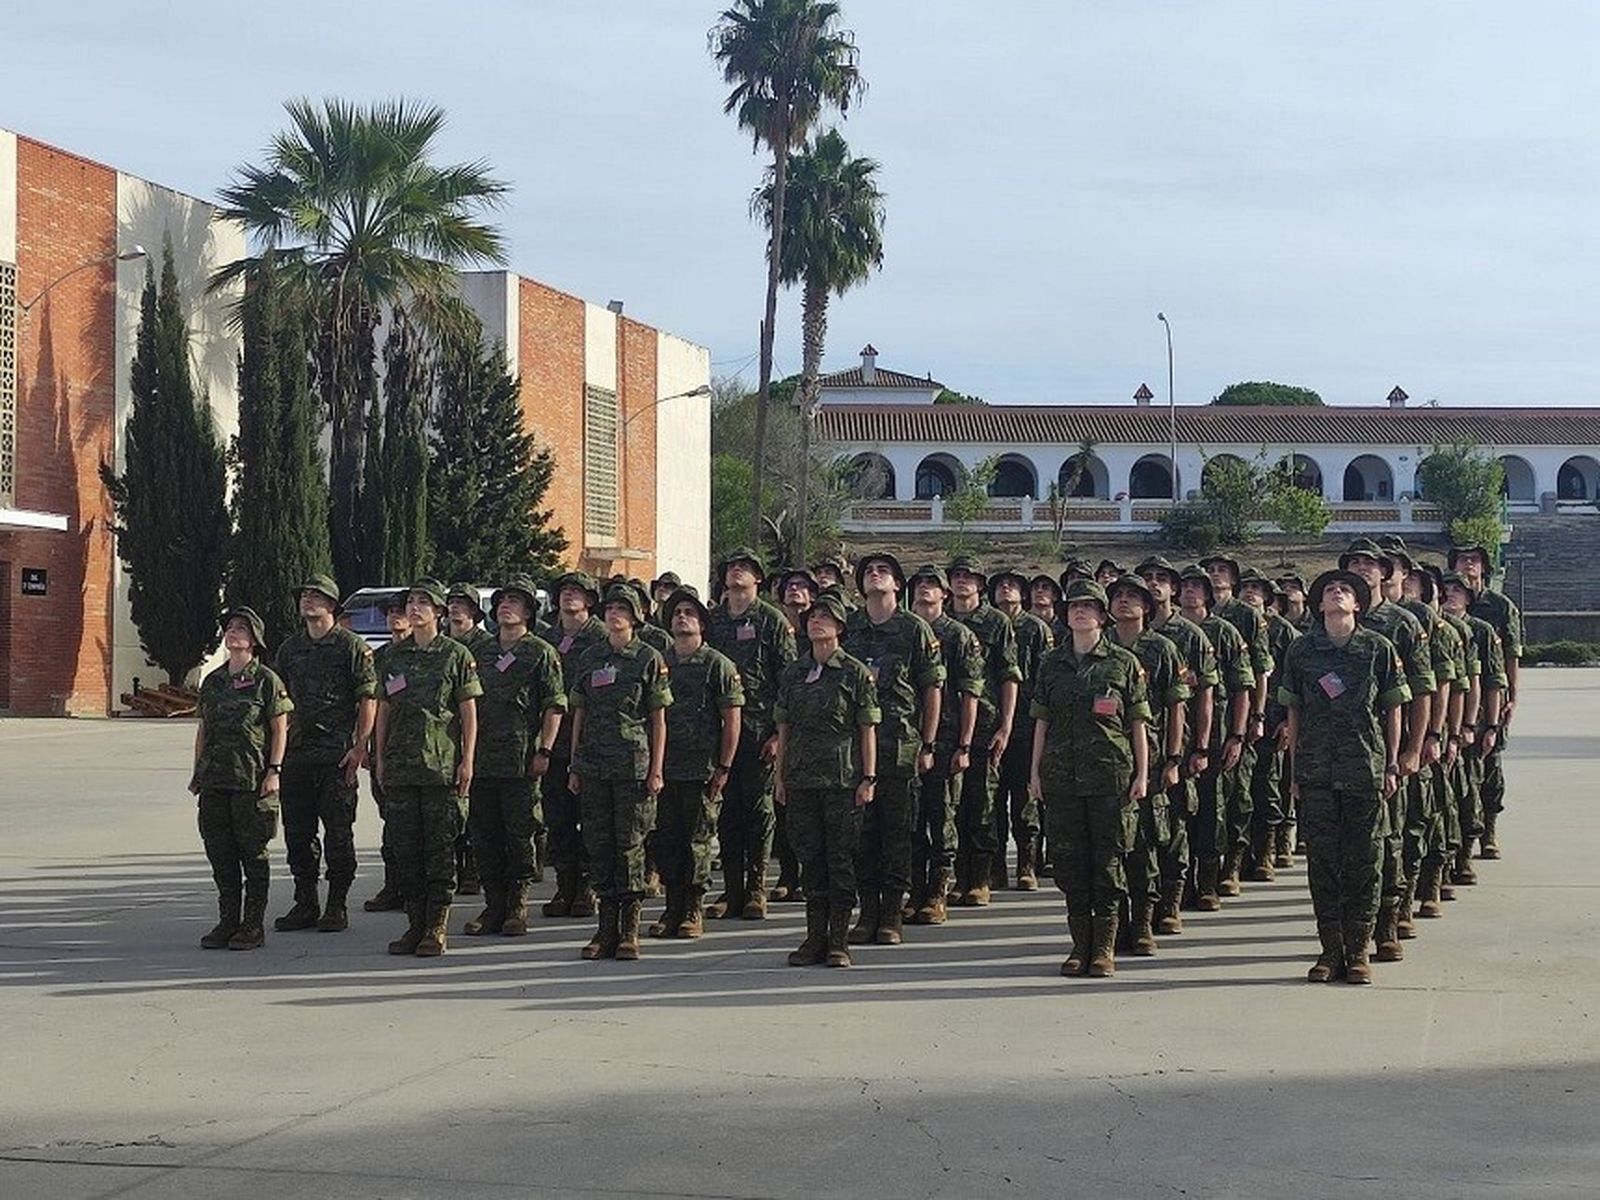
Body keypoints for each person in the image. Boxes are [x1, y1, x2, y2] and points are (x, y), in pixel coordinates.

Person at [1279, 569, 1410, 984]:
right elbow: (1293, 712)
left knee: (1365, 861)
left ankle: (1358, 950)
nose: (1337, 594)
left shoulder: (1378, 649)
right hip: (1317, 771)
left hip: (1364, 769)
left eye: (1346, 591)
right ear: (1319, 606)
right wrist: (1296, 770)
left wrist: (1391, 762)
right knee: (1322, 862)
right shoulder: (1302, 652)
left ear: (1357, 605)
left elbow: (1393, 709)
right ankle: (1328, 951)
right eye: (1330, 591)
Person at [1029, 580, 1151, 978]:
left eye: (1089, 606)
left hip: (1110, 777)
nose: (1080, 612)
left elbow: (1137, 723)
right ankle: (1079, 945)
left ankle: (1104, 947)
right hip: (1062, 778)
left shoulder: (1123, 662)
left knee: (1109, 864)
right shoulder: (1051, 663)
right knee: (1069, 865)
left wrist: (1142, 773)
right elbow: (1041, 722)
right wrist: (1035, 772)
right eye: (1074, 606)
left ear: (1103, 616)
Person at [373, 578, 482, 957]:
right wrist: (379, 756)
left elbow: (468, 711)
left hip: (440, 769)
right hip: (402, 767)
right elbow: (383, 708)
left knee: (439, 851)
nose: (414, 608)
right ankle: (414, 925)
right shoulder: (392, 657)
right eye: (411, 602)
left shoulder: (455, 655)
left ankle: (436, 926)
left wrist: (467, 759)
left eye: (423, 603)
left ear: (438, 612)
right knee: (406, 850)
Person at [1338, 538, 1436, 962]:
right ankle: (1345, 936)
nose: (1361, 569)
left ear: (1385, 572)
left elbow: (1421, 690)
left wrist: (1415, 747)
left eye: (1369, 563)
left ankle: (1387, 925)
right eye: (1353, 563)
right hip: (1338, 754)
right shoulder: (1328, 621)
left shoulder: (1402, 624)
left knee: (1389, 840)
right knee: (1342, 849)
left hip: (1386, 752)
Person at [774, 592, 881, 968]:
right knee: (810, 861)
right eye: (813, 616)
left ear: (839, 627)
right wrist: (781, 776)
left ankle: (839, 939)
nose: (816, 621)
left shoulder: (854, 672)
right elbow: (784, 727)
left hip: (842, 780)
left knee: (840, 860)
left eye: (826, 617)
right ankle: (813, 937)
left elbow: (867, 728)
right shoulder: (794, 671)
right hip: (802, 779)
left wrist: (869, 776)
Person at [842, 553, 944, 946]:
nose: (875, 574)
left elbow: (932, 689)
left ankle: (891, 914)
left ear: (898, 585)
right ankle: (866, 912)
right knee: (862, 834)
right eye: (868, 571)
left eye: (883, 570)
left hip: (901, 746)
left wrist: (928, 742)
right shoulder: (851, 628)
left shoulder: (914, 629)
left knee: (898, 832)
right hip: (855, 750)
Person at [568, 585, 673, 961]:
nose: (614, 614)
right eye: (610, 608)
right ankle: (604, 929)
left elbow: (659, 719)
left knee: (629, 847)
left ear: (635, 617)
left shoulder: (648, 658)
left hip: (633, 766)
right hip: (594, 765)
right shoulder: (592, 656)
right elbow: (579, 711)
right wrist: (574, 762)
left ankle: (628, 931)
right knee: (599, 846)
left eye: (622, 609)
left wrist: (657, 769)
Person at [271, 575, 377, 935]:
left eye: (316, 596)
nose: (307, 601)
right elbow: (278, 705)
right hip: (298, 757)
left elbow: (368, 698)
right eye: (304, 595)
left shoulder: (351, 647)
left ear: (332, 605)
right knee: (297, 835)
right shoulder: (290, 649)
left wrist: (360, 745)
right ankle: (305, 902)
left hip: (336, 757)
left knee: (338, 834)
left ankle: (336, 904)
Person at [462, 576, 566, 938]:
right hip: (483, 759)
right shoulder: (482, 652)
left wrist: (545, 749)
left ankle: (517, 907)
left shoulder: (540, 652)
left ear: (528, 612)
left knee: (520, 834)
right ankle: (493, 905)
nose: (507, 605)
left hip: (521, 759)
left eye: (516, 602)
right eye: (504, 600)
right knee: (485, 834)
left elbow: (554, 706)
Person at [191, 607, 293, 951]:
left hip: (253, 783)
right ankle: (228, 920)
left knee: (254, 855)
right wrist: (198, 771)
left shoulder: (267, 680)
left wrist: (274, 771)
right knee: (220, 854)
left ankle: (253, 925)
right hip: (216, 780)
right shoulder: (214, 681)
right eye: (230, 628)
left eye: (241, 628)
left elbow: (280, 728)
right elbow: (204, 729)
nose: (233, 633)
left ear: (254, 640)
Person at [707, 547, 797, 920]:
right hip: (719, 733)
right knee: (727, 814)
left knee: (759, 813)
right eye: (732, 566)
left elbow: (788, 680)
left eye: (745, 567)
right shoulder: (713, 621)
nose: (737, 572)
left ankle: (756, 888)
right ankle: (731, 888)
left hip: (760, 731)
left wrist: (779, 735)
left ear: (758, 578)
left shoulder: (772, 621)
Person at [653, 587, 744, 939]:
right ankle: (672, 906)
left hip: (701, 768)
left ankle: (692, 907)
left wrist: (723, 767)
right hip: (664, 767)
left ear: (702, 624)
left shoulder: (716, 664)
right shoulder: (659, 662)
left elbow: (732, 718)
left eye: (689, 612)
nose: (681, 617)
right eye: (676, 613)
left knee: (698, 840)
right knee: (666, 839)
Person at [1106, 575, 1189, 955]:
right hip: (1103, 763)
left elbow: (1176, 709)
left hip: (1150, 762)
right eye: (1118, 596)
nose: (1124, 602)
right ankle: (1114, 924)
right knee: (1110, 849)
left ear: (1147, 606)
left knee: (1145, 846)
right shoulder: (1099, 648)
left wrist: (1174, 759)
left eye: (1132, 597)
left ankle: (1143, 923)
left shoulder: (1162, 649)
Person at [1136, 556, 1218, 935]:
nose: (1154, 584)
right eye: (1147, 578)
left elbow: (1201, 696)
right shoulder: (1124, 634)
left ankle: (1171, 901)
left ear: (1172, 589)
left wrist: (1199, 747)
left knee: (1176, 825)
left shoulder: (1189, 636)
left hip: (1176, 748)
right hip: (1134, 753)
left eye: (1162, 579)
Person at [906, 564, 982, 926]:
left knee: (943, 818)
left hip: (947, 740)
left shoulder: (959, 635)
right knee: (909, 820)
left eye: (931, 585)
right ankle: (915, 890)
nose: (924, 590)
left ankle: (937, 893)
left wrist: (965, 744)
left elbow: (970, 693)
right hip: (905, 740)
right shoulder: (904, 631)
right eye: (919, 584)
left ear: (944, 595)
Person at [1178, 565, 1254, 911]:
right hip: (1171, 735)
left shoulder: (1223, 632)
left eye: (1198, 586)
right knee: (1178, 813)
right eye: (1186, 586)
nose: (1191, 591)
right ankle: (1179, 884)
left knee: (1212, 809)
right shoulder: (1164, 633)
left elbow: (1242, 687)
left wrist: (1239, 733)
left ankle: (1208, 880)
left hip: (1216, 732)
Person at [947, 556, 1020, 906]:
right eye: (957, 576)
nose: (962, 582)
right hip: (948, 727)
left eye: (969, 577)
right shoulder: (938, 624)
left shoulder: (996, 622)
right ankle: (957, 877)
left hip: (985, 727)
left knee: (981, 805)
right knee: (951, 808)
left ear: (980, 584)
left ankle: (980, 878)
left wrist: (1006, 725)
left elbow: (1009, 675)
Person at [1199, 554, 1274, 897]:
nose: (1216, 575)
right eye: (1210, 570)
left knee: (1237, 796)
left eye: (1222, 570)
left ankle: (1233, 863)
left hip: (1233, 717)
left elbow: (1258, 671)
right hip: (1194, 724)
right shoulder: (1187, 618)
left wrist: (1255, 717)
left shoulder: (1245, 617)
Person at [537, 571, 607, 919]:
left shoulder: (603, 637)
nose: (568, 596)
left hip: (594, 743)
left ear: (590, 600)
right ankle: (565, 886)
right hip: (555, 742)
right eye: (563, 591)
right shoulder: (546, 638)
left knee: (590, 819)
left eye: (576, 591)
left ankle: (588, 888)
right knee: (559, 819)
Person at [1448, 543, 1523, 860]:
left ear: (1484, 566)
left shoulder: (1500, 606)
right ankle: (1463, 836)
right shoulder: (1445, 605)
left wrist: (1513, 698)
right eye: (1462, 560)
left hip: (1491, 697)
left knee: (1490, 766)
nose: (1468, 565)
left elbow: (1510, 655)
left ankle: (1488, 831)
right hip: (1457, 703)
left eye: (1474, 560)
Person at [988, 567, 1055, 890]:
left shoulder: (1036, 628)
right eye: (1000, 585)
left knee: (1025, 797)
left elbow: (1047, 677)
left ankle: (1027, 864)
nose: (1006, 589)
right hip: (989, 723)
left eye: (1012, 585)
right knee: (992, 800)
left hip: (1027, 726)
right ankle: (996, 865)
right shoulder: (984, 624)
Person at [1440, 570, 1506, 887]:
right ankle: (1440, 865)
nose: (1451, 594)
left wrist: (1490, 725)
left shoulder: (1480, 631)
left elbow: (1492, 682)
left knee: (1469, 792)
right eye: (1446, 589)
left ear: (1470, 598)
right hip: (1441, 727)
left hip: (1472, 726)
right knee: (1443, 798)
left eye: (1458, 590)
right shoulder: (1434, 628)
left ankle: (1465, 855)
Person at [1239, 568, 1299, 882]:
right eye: (1245, 587)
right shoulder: (1231, 625)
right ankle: (1241, 854)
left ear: (1269, 597)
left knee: (1267, 789)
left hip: (1273, 719)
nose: (1250, 593)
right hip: (1235, 720)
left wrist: (1288, 722)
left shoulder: (1284, 632)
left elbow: (1295, 681)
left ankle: (1267, 850)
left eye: (1257, 588)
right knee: (1240, 794)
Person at [364, 591, 413, 912]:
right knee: (391, 822)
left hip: (421, 752)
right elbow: (372, 705)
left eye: (400, 610)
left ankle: (414, 890)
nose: (394, 616)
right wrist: (369, 748)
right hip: (387, 750)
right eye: (390, 611)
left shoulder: (424, 653)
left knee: (417, 828)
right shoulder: (380, 659)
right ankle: (393, 885)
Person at [445, 582, 492, 896]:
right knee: (449, 811)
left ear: (474, 610)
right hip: (443, 740)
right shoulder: (439, 645)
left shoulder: (488, 646)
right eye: (452, 603)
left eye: (463, 603)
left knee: (475, 809)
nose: (456, 608)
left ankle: (473, 869)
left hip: (482, 736)